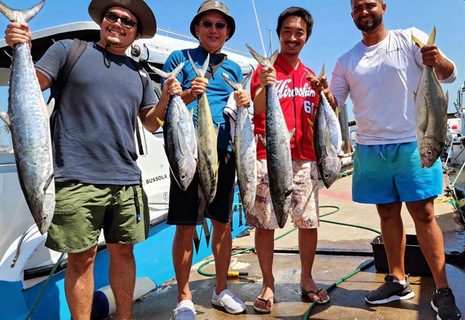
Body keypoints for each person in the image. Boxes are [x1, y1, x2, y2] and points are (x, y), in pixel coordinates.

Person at [5, 1, 181, 319]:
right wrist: (21, 46)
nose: (118, 23)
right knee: (81, 259)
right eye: (112, 16)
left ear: (136, 33)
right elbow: (34, 86)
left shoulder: (139, 74)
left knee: (124, 253)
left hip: (126, 179)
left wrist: (166, 97)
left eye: (127, 21)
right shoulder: (67, 51)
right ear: (102, 20)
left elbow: (151, 123)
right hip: (75, 177)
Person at [321, 1, 461, 319]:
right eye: (357, 7)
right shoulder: (345, 61)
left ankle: (442, 290)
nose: (364, 11)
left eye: (369, 4)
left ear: (384, 6)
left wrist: (436, 60)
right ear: (352, 14)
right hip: (370, 148)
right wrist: (323, 92)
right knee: (386, 215)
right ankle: (398, 280)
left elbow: (449, 75)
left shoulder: (410, 37)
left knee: (424, 215)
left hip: (416, 141)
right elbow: (335, 102)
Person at [158, 1, 251, 319]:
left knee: (223, 225)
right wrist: (185, 95)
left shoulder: (234, 68)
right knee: (185, 227)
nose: (214, 29)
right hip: (187, 153)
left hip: (223, 153)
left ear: (227, 32)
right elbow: (165, 106)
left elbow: (238, 113)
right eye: (208, 24)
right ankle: (184, 297)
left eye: (220, 25)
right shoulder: (177, 60)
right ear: (197, 28)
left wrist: (244, 101)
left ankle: (220, 289)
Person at [248, 6, 330, 314]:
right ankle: (268, 283)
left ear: (307, 36)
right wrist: (266, 84)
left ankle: (307, 278)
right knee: (265, 222)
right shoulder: (264, 70)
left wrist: (326, 93)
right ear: (279, 34)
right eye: (287, 32)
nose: (292, 37)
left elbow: (326, 112)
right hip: (268, 156)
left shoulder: (310, 75)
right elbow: (256, 108)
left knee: (308, 222)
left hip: (305, 159)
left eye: (299, 32)